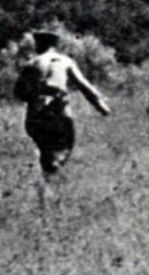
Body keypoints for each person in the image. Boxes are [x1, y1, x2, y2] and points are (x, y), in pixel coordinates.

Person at [13, 30, 111, 177]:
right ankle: (55, 173)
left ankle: (50, 177)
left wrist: (35, 95)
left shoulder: (31, 64)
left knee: (45, 149)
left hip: (36, 113)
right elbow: (84, 86)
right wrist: (101, 106)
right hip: (59, 110)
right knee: (66, 146)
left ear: (37, 45)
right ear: (55, 45)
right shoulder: (65, 61)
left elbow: (18, 93)